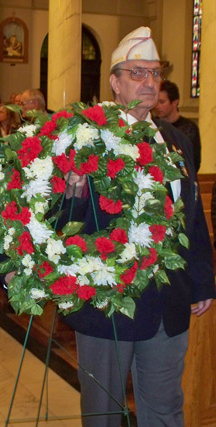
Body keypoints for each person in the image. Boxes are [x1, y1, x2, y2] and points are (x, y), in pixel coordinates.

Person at [62, 27, 215, 427]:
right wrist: (74, 193)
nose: (149, 82)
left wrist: (202, 281)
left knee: (165, 409)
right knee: (104, 412)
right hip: (108, 301)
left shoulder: (177, 140)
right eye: (137, 73)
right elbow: (61, 223)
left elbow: (192, 215)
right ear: (114, 82)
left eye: (154, 73)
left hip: (169, 302)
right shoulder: (86, 138)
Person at [155, 80, 202, 171]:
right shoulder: (153, 125)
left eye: (162, 102)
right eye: (156, 102)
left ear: (175, 102)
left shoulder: (189, 127)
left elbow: (194, 161)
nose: (157, 106)